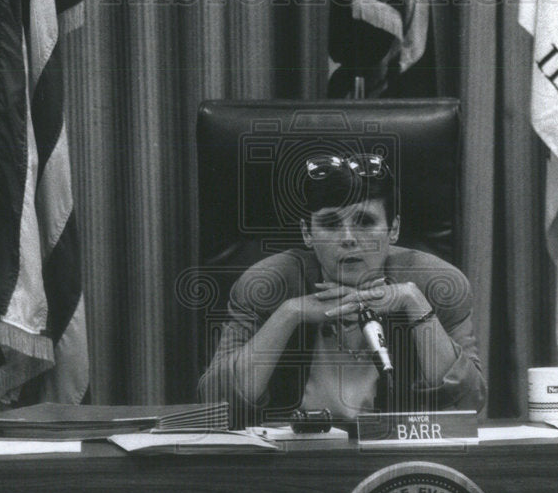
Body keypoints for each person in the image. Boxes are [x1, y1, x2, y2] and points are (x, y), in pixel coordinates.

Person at [197, 152, 487, 428]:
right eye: (331, 224)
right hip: (295, 460)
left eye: (365, 221)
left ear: (394, 229)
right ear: (307, 233)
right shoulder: (267, 285)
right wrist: (288, 315)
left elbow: (469, 405)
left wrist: (416, 306)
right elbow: (215, 404)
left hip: (394, 456)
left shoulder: (435, 284)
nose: (348, 238)